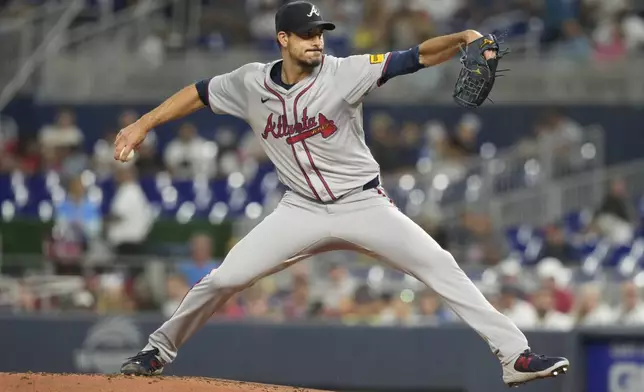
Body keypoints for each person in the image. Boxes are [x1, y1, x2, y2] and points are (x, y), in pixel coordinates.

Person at [115, 1, 569, 387]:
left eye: (321, 33)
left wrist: (463, 37)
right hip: (300, 210)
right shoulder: (250, 82)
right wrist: (142, 125)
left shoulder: (346, 71)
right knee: (226, 278)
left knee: (439, 264)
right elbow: (196, 94)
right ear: (283, 40)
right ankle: (157, 350)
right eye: (307, 34)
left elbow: (413, 57)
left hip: (362, 203)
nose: (317, 40)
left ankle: (515, 356)